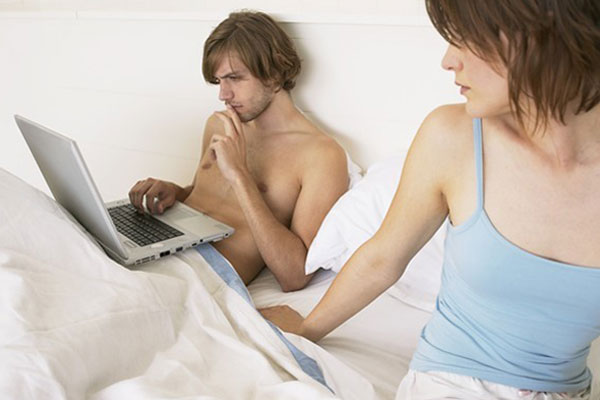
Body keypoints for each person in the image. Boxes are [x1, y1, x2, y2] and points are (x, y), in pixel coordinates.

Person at [261, 1, 600, 398]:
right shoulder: (453, 137)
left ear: (542, 36)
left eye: (467, 39)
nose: (448, 60)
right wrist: (306, 328)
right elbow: (383, 258)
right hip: (450, 386)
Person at [128, 11, 348, 290]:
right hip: (158, 247)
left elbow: (294, 275)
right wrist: (173, 192)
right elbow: (201, 196)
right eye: (219, 81)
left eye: (234, 77)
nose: (223, 95)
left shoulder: (320, 155)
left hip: (202, 274)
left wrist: (239, 175)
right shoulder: (219, 125)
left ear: (275, 73)